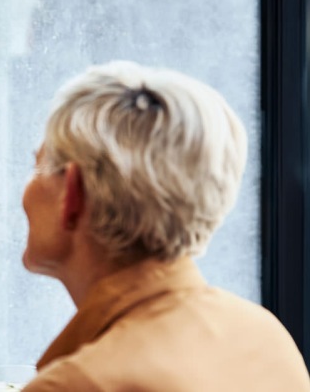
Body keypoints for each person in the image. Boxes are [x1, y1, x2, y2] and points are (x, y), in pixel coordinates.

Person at [20, 61, 310, 391]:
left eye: (37, 167)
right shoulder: (265, 336)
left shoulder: (78, 383)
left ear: (71, 193)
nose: (25, 190)